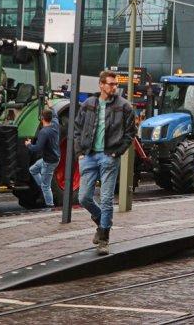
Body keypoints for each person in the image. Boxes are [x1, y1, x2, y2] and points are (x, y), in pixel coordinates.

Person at [75, 70, 136, 256]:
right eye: (110, 84)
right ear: (101, 85)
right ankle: (102, 222)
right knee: (83, 197)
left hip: (109, 156)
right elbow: (77, 129)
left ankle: (104, 239)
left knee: (107, 198)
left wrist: (118, 152)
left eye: (116, 84)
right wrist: (80, 153)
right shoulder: (88, 104)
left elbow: (130, 133)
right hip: (89, 156)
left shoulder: (124, 106)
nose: (114, 87)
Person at [26, 107, 60, 207]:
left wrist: (28, 145)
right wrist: (52, 107)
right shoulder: (55, 125)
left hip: (49, 162)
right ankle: (43, 185)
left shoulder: (44, 132)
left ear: (42, 118)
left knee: (46, 186)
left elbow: (37, 148)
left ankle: (50, 206)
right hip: (54, 158)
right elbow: (55, 115)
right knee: (33, 169)